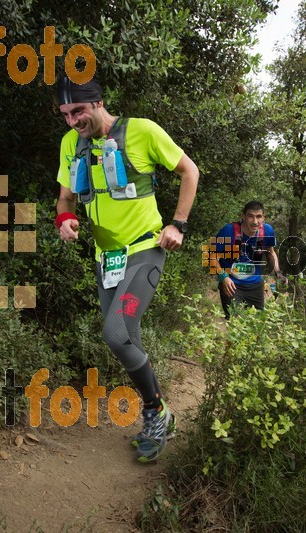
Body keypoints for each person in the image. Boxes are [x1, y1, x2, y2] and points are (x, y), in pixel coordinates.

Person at [53, 75, 199, 462]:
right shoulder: (72, 144)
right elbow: (65, 197)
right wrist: (64, 220)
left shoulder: (142, 131)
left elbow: (190, 171)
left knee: (116, 334)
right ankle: (159, 412)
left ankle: (155, 411)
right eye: (66, 114)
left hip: (146, 250)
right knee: (125, 338)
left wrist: (178, 224)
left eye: (78, 111)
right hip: (108, 259)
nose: (72, 121)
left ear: (98, 102)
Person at [215, 201, 283, 319]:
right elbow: (211, 255)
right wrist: (223, 277)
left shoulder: (267, 231)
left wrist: (278, 272)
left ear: (263, 217)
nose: (255, 221)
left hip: (255, 284)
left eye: (258, 216)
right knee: (236, 323)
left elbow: (271, 252)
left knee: (256, 325)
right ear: (243, 216)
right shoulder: (228, 230)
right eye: (250, 216)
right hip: (231, 284)